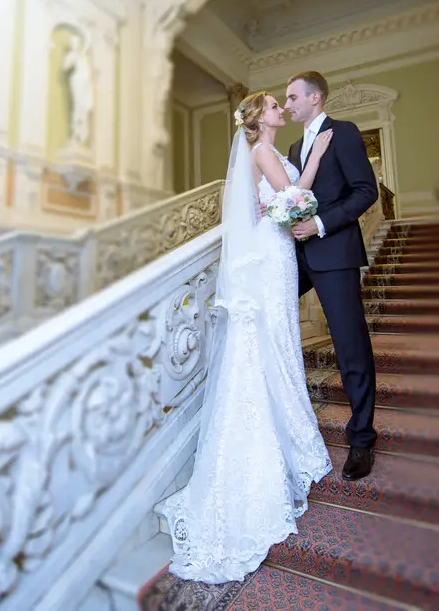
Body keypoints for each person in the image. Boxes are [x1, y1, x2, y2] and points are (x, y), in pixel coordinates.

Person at [159, 91, 334, 584]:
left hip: (273, 252)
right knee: (273, 343)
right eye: (276, 105)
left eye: (283, 103)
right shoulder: (262, 151)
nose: (282, 108)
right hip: (271, 254)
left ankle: (290, 436)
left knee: (277, 344)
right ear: (260, 118)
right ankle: (281, 448)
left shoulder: (265, 150)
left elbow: (276, 202)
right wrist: (316, 157)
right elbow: (294, 193)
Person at [283, 70, 379, 482]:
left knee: (350, 345)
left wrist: (319, 224)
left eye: (292, 98)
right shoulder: (291, 145)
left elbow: (365, 191)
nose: (287, 105)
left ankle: (362, 437)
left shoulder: (344, 132)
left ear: (315, 98)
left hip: (334, 253)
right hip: (295, 256)